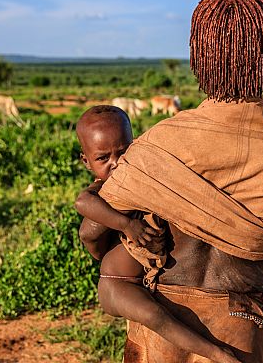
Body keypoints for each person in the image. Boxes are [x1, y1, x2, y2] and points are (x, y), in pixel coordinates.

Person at [81, 0, 263, 362]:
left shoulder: (159, 144)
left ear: (199, 58)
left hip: (158, 333)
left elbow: (94, 231)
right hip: (240, 330)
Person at [74, 105, 241, 363]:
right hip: (117, 283)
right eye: (103, 158)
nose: (115, 163)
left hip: (137, 280)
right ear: (86, 161)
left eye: (123, 152)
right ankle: (216, 354)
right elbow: (82, 204)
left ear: (136, 144)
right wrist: (126, 225)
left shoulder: (140, 179)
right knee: (155, 317)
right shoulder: (102, 188)